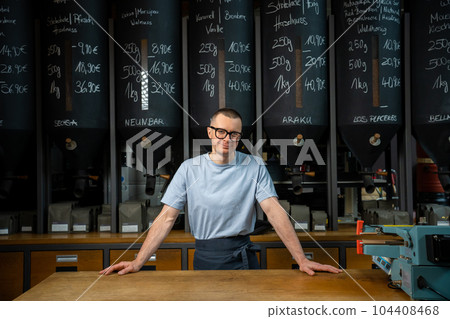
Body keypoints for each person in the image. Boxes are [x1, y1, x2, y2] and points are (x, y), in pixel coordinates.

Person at [100, 108, 342, 275]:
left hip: (243, 258)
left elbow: (274, 212)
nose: (227, 139)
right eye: (221, 132)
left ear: (240, 136)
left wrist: (301, 259)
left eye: (234, 134)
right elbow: (166, 218)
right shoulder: (188, 169)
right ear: (210, 132)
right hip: (204, 257)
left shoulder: (254, 166)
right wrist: (138, 262)